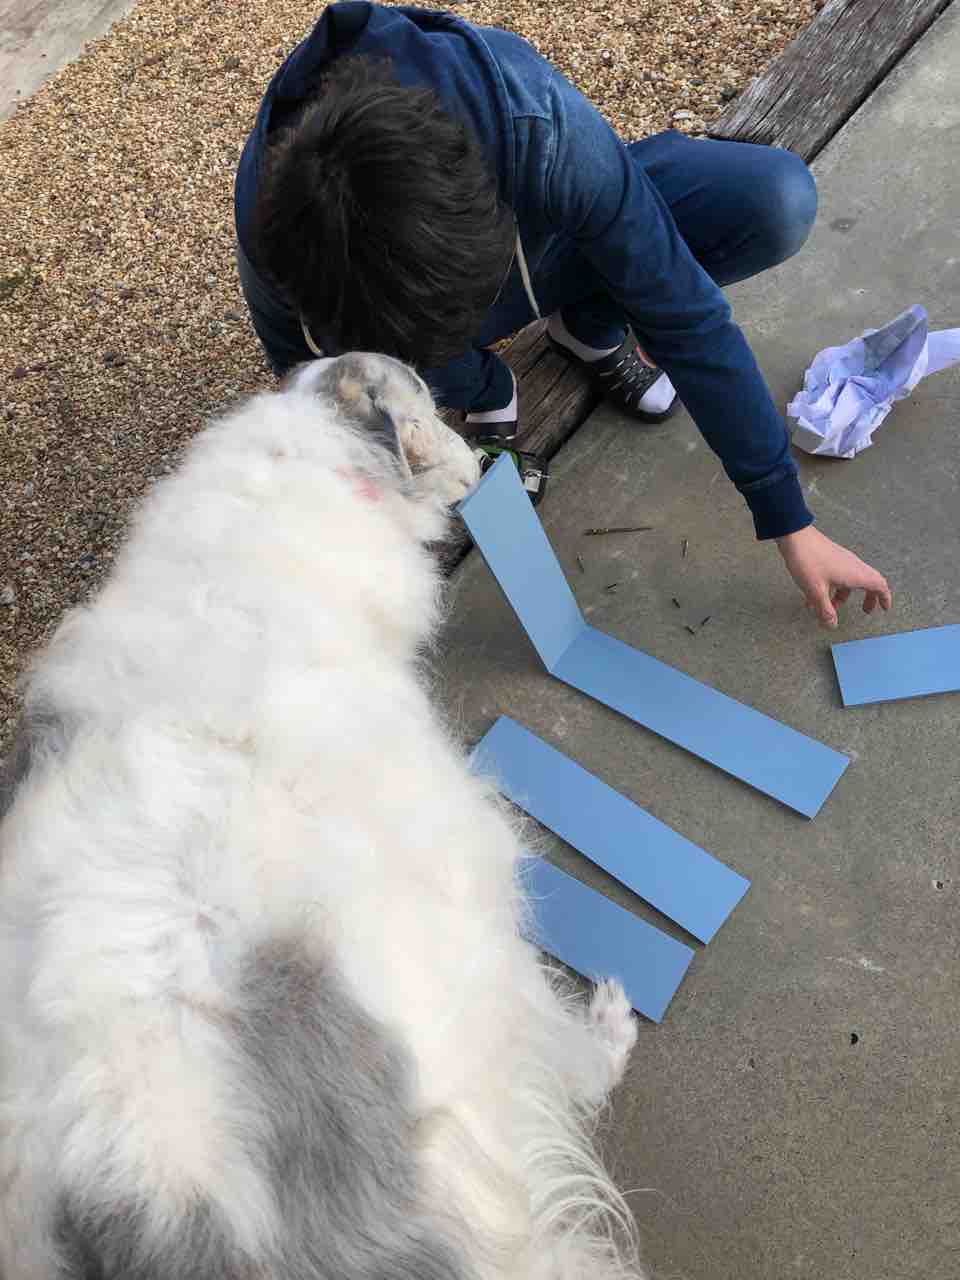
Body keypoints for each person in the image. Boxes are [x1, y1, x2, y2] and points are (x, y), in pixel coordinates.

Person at [234, 1, 892, 629]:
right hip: (423, 321)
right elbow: (314, 395)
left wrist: (787, 517)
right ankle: (483, 384)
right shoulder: (283, 234)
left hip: (542, 242)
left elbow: (685, 314)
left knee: (775, 201)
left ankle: (587, 325)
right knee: (378, 393)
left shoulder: (538, 126)